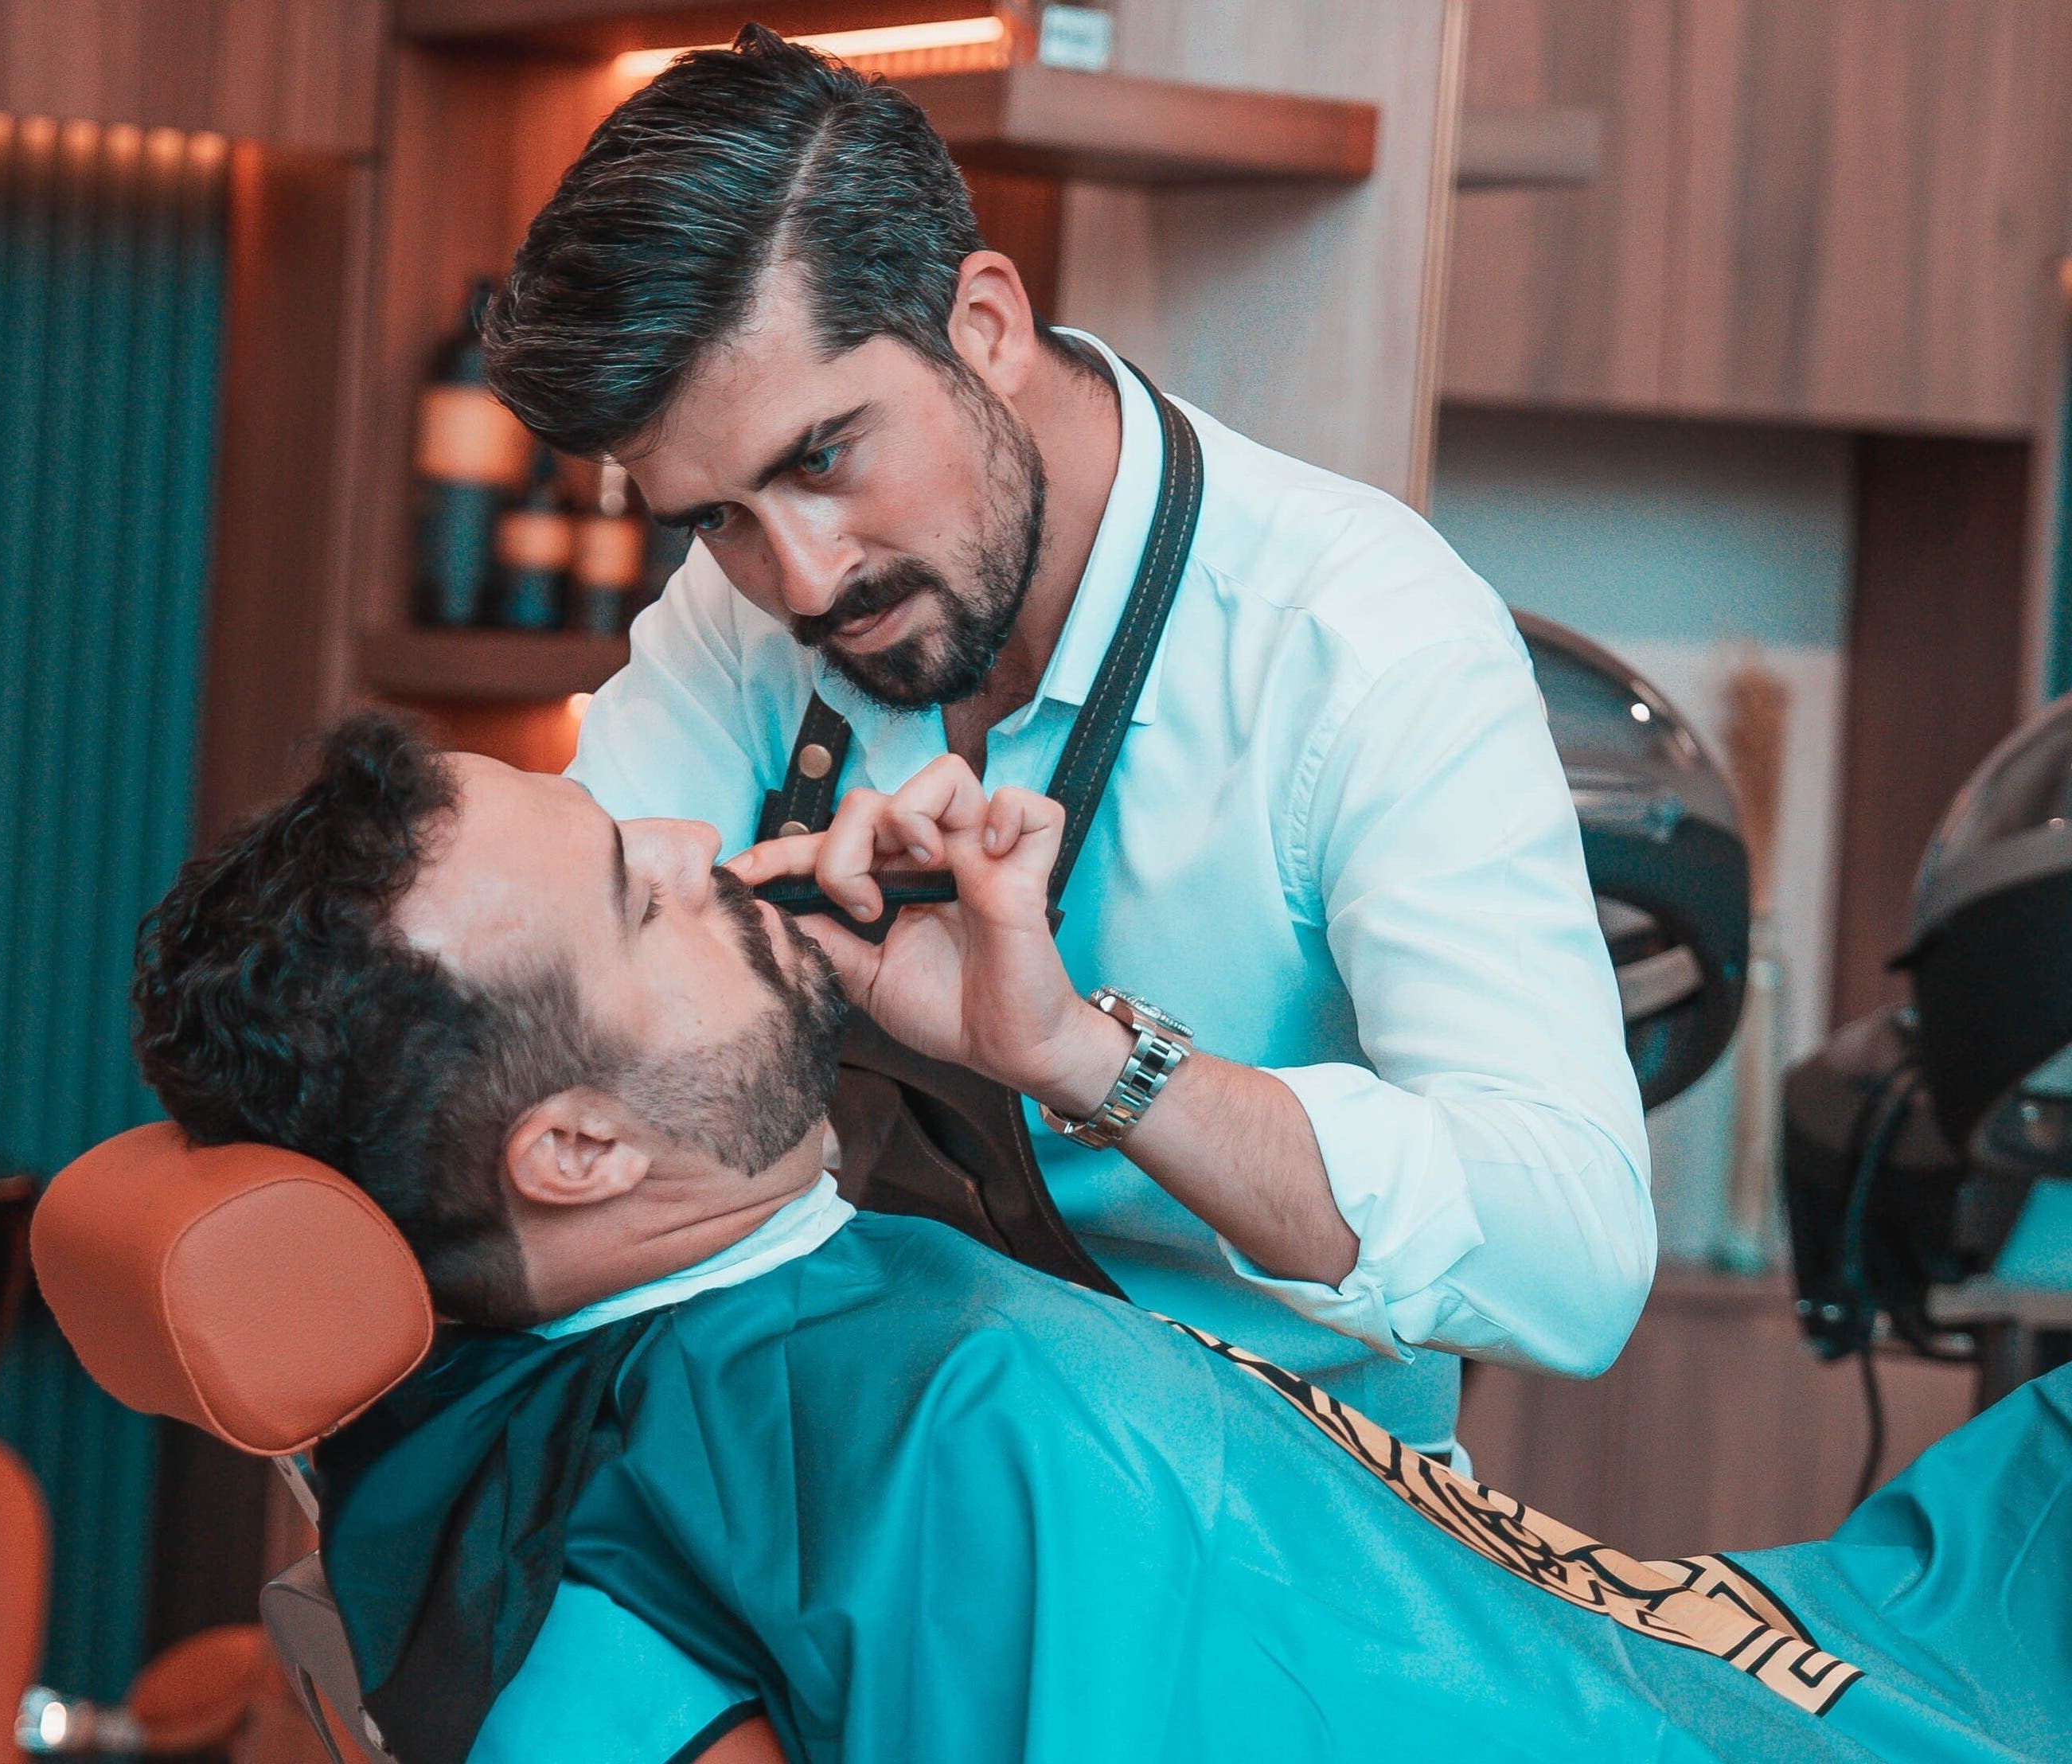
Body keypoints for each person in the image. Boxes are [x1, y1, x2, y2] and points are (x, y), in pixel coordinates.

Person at [128, 716, 2070, 1764]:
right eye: (645, 903)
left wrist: (1027, 1045)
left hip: (1721, 1651)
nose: (713, 856)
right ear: (566, 1147)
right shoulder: (856, 1448)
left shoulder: (514, 1405)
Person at [476, 28, 1653, 1462]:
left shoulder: (1361, 640)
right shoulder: (744, 620)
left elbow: (1573, 1257)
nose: (798, 579)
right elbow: (530, 1019)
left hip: (1264, 1547)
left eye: (824, 456)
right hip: (880, 1476)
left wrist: (1086, 1059)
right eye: (715, 517)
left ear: (984, 323)